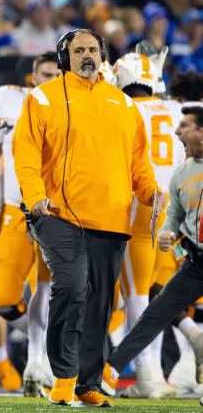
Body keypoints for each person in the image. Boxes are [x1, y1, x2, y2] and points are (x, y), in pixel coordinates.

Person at [13, 28, 164, 407]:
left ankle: (89, 382)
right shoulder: (42, 98)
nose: (87, 56)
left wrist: (151, 193)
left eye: (93, 50)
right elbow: (26, 156)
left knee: (100, 304)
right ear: (64, 57)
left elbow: (138, 164)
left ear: (103, 56)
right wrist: (34, 198)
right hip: (58, 214)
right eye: (79, 50)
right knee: (73, 286)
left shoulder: (124, 104)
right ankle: (64, 377)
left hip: (112, 219)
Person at [0, 52, 60, 397]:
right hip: (13, 210)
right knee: (2, 299)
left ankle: (40, 361)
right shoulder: (12, 101)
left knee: (49, 291)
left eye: (56, 73)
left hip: (55, 213)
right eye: (45, 73)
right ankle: (53, 344)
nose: (50, 78)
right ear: (33, 75)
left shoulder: (72, 106)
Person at [104, 105, 203, 395]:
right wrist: (166, 233)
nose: (176, 131)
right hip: (194, 260)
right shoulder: (181, 172)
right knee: (153, 313)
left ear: (201, 131)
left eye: (184, 125)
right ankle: (109, 372)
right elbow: (174, 215)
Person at [111, 51, 187, 398]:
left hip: (139, 206)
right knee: (154, 296)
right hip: (173, 209)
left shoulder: (122, 109)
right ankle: (154, 374)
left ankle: (148, 375)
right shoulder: (176, 109)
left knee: (137, 296)